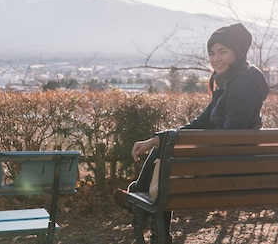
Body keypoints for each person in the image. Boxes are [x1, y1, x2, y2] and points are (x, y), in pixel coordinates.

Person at [113, 22, 269, 244]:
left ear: (238, 53)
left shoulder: (242, 85)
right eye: (212, 53)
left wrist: (172, 142)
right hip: (229, 159)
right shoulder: (230, 82)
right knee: (165, 149)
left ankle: (139, 203)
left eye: (223, 51)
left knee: (167, 155)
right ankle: (144, 207)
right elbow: (202, 122)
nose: (216, 58)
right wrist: (159, 138)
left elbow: (231, 135)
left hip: (230, 165)